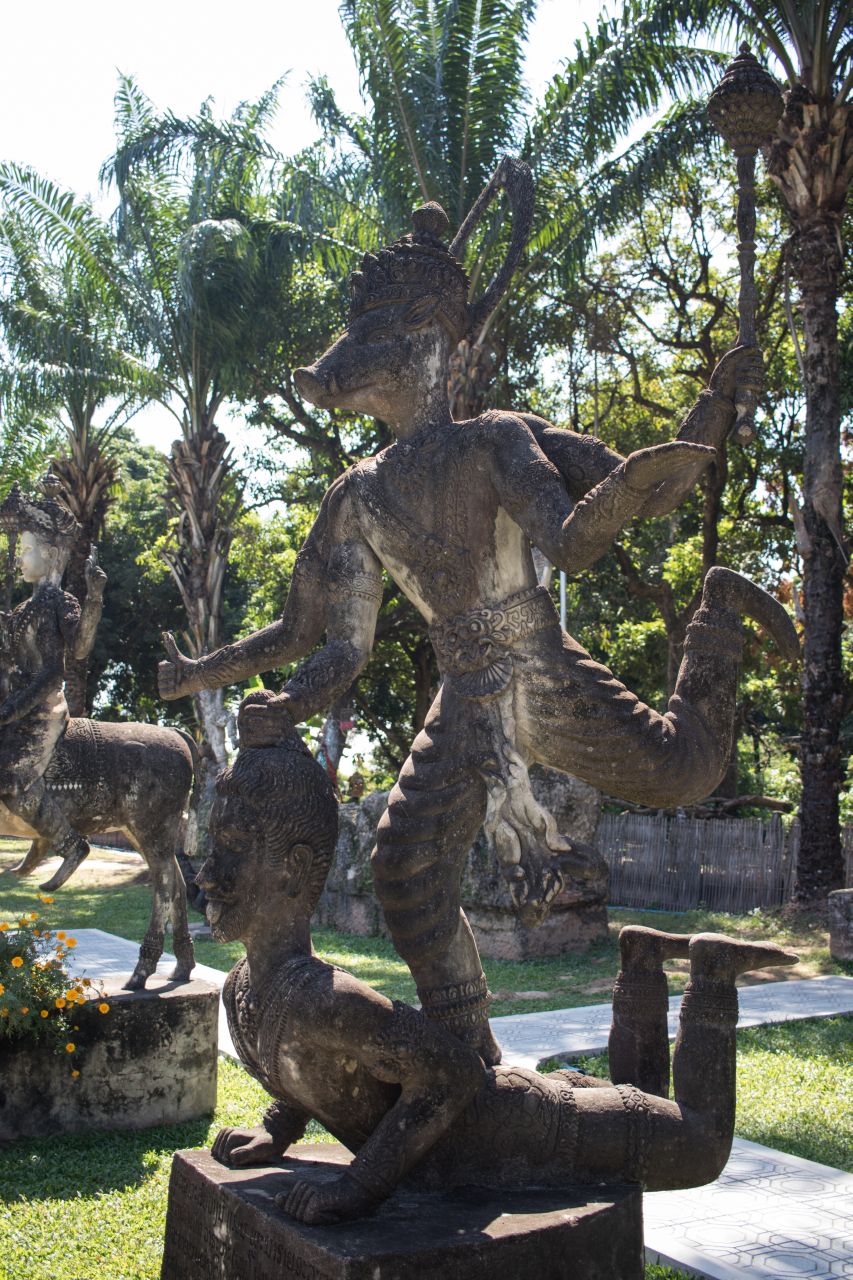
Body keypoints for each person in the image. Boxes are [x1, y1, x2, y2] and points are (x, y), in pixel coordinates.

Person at [159, 191, 798, 1065]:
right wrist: (221, 681)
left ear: (428, 338)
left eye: (373, 338)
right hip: (466, 696)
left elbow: (613, 512)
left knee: (685, 771)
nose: (345, 363)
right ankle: (468, 1058)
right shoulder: (357, 494)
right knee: (404, 870)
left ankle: (715, 618)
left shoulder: (496, 439)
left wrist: (714, 407)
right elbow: (324, 640)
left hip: (537, 668)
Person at [201, 730, 798, 1226]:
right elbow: (314, 1074)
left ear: (294, 868)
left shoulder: (319, 1001)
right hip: (488, 1137)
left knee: (699, 1145)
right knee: (641, 1111)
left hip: (516, 1135)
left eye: (230, 848)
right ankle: (640, 967)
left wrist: (359, 1186)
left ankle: (711, 976)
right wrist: (276, 1130)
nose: (205, 873)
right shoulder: (243, 988)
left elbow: (453, 1074)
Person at [0, 480, 104, 889]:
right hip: (16, 701)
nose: (19, 559)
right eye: (20, 549)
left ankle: (69, 844)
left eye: (27, 550)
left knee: (12, 778)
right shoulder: (21, 609)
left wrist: (94, 599)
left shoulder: (59, 602)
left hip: (42, 707)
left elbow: (71, 656)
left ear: (51, 554)